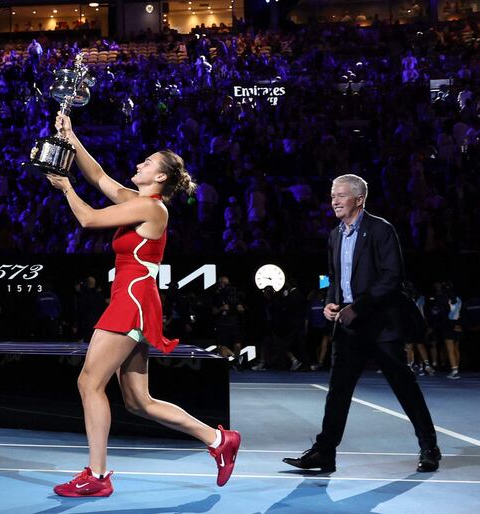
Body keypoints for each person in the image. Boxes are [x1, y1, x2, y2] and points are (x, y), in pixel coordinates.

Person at [45, 113, 240, 498]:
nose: (139, 164)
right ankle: (218, 439)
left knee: (89, 381)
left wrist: (65, 188)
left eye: (147, 162)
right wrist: (71, 136)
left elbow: (88, 218)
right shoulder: (138, 201)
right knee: (137, 401)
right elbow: (99, 177)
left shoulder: (153, 209)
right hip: (134, 298)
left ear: (162, 177)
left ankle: (97, 476)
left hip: (131, 298)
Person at [283, 174, 441, 474]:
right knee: (338, 391)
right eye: (332, 195)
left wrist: (358, 306)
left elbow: (392, 278)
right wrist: (331, 302)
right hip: (349, 326)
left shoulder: (381, 229)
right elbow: (335, 277)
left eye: (341, 195)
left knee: (404, 386)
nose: (334, 200)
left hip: (381, 325)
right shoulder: (334, 235)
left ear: (359, 198)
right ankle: (324, 452)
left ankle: (429, 447)